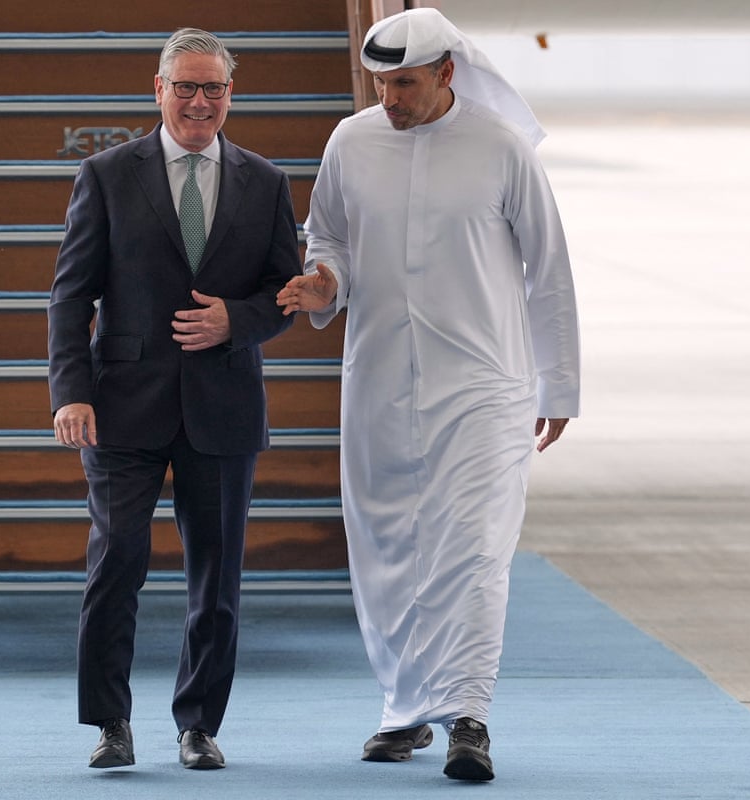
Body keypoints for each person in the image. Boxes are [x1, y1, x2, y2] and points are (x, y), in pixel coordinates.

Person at [276, 7, 580, 783]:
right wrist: (323, 283)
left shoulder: (501, 147)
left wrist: (560, 383)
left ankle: (469, 716)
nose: (390, 99)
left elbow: (549, 272)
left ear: (446, 73)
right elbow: (330, 238)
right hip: (378, 377)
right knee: (387, 547)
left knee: (474, 547)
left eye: (405, 83)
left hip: (486, 386)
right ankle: (402, 709)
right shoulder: (352, 141)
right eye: (381, 83)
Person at [47, 27, 300, 771]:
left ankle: (198, 725)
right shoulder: (106, 173)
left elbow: (282, 297)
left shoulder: (266, 181)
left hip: (222, 403)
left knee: (215, 577)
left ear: (231, 95)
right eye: (185, 87)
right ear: (157, 91)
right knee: (117, 559)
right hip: (121, 404)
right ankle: (110, 723)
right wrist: (70, 391)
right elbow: (70, 296)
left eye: (213, 88)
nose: (199, 101)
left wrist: (237, 320)